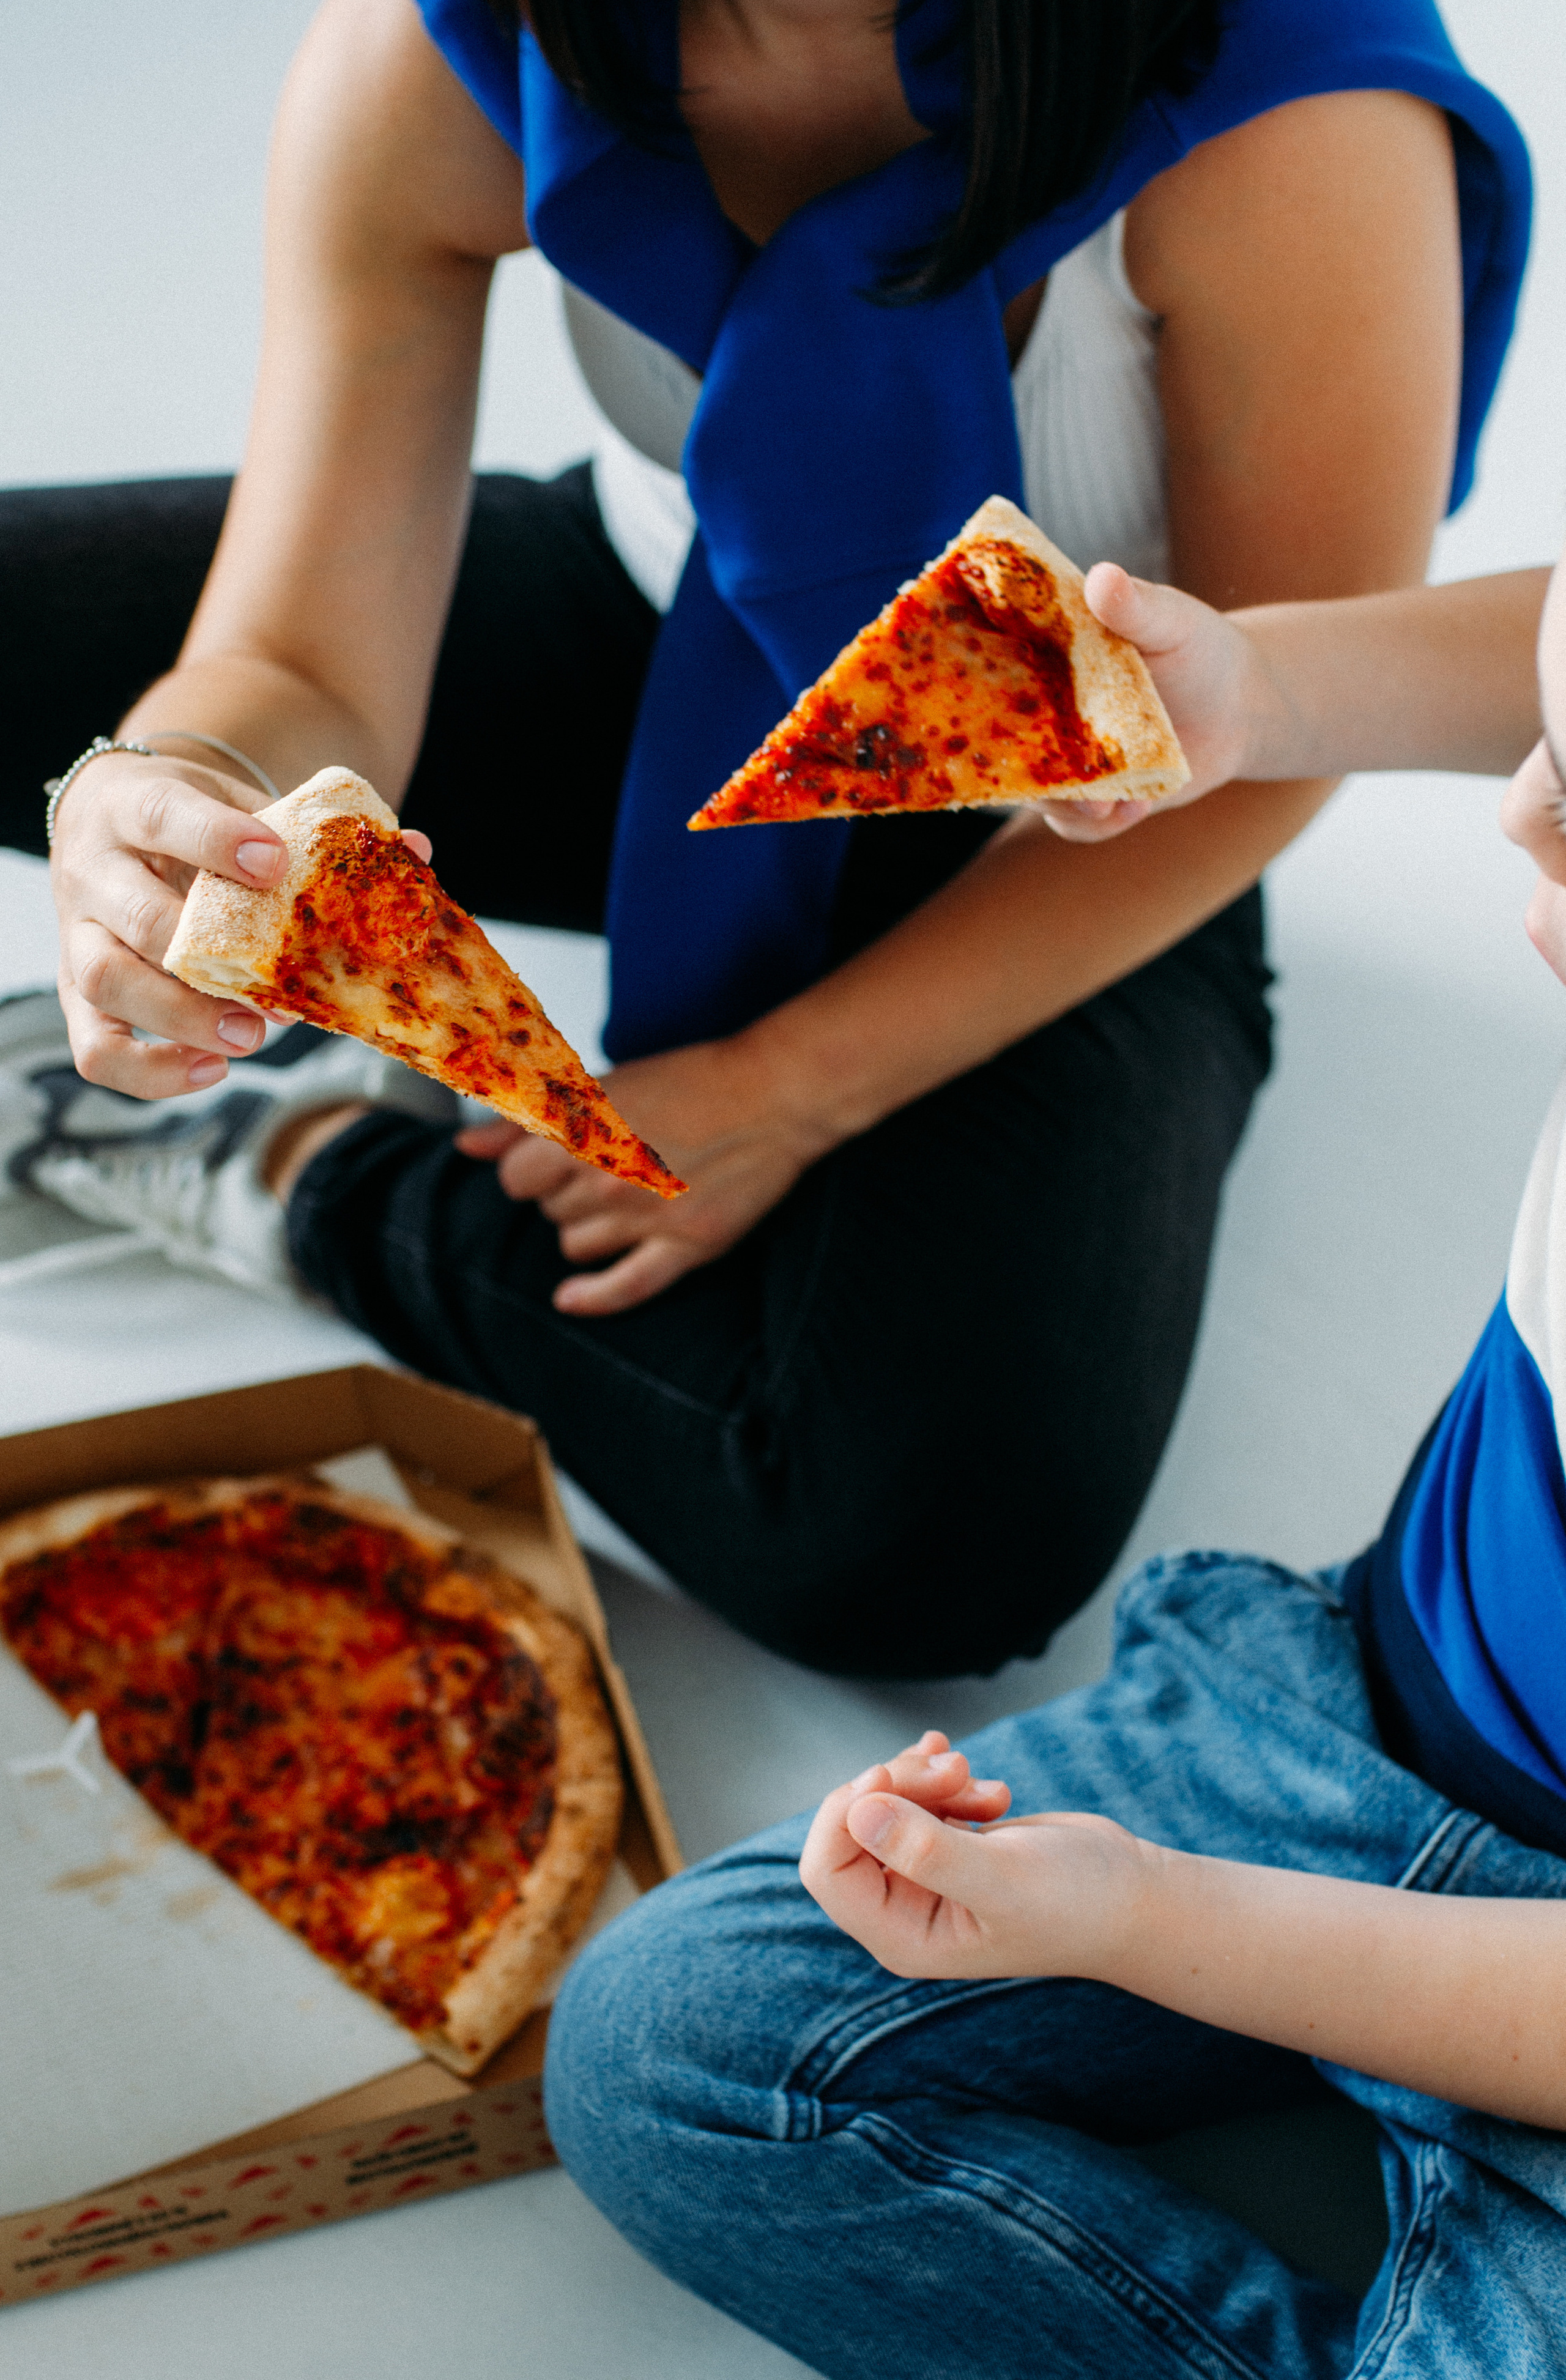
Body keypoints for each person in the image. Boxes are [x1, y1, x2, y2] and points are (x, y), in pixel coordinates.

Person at [0, 0, 1529, 1675]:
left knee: (922, 1544)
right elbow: (300, 664)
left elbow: (1268, 733)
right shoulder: (435, 54)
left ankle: (302, 1167)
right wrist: (169, 794)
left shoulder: (1289, 102)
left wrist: (789, 1086)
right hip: (660, 628)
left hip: (1080, 818)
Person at [541, 551, 1566, 2378]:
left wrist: (1161, 1920)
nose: (1524, 813)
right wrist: (1256, 682)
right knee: (663, 2041)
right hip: (1359, 1709)